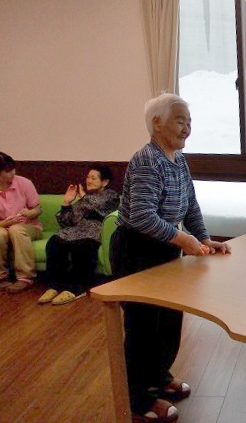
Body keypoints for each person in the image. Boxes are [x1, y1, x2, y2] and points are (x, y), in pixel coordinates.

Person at [111, 93, 231, 423]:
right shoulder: (147, 160)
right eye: (180, 120)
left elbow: (190, 204)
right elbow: (141, 216)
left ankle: (158, 377)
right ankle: (138, 399)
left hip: (164, 246)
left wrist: (203, 238)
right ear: (157, 123)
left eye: (189, 121)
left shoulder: (178, 159)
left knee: (168, 319)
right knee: (142, 325)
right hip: (136, 249)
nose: (187, 127)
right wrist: (183, 239)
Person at [38, 166, 120, 305]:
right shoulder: (84, 198)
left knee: (82, 247)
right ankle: (55, 285)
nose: (88, 180)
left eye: (93, 178)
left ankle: (77, 288)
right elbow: (66, 222)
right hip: (74, 231)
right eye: (88, 177)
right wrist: (67, 202)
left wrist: (83, 197)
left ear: (105, 182)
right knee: (54, 242)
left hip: (93, 232)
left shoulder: (111, 196)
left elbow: (97, 209)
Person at [0, 152, 43, 294]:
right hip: (4, 226)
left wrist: (30, 213)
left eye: (13, 169)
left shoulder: (24, 183)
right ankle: (1, 277)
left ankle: (25, 277)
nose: (13, 173)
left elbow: (38, 209)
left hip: (29, 226)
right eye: (8, 171)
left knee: (16, 229)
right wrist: (5, 223)